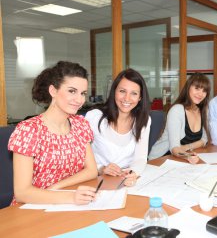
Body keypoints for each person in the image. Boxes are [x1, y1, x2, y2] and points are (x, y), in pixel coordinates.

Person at [8, 61, 98, 205]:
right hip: (31, 208)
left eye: (83, 93)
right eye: (72, 91)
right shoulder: (28, 130)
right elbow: (22, 193)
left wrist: (56, 187)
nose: (79, 99)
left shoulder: (81, 124)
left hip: (64, 201)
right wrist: (70, 197)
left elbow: (92, 170)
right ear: (53, 91)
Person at [85, 69, 151, 187]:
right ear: (114, 92)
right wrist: (101, 168)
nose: (127, 98)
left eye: (134, 93)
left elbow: (140, 158)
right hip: (96, 181)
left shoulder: (143, 120)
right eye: (122, 91)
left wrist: (133, 173)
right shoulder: (95, 117)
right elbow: (80, 155)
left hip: (124, 181)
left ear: (140, 97)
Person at [149, 73, 211, 163]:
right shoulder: (177, 110)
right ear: (188, 87)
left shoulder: (204, 111)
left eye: (204, 91)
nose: (200, 94)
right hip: (161, 159)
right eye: (197, 88)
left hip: (182, 160)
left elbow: (204, 140)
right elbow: (174, 148)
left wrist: (186, 147)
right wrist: (188, 156)